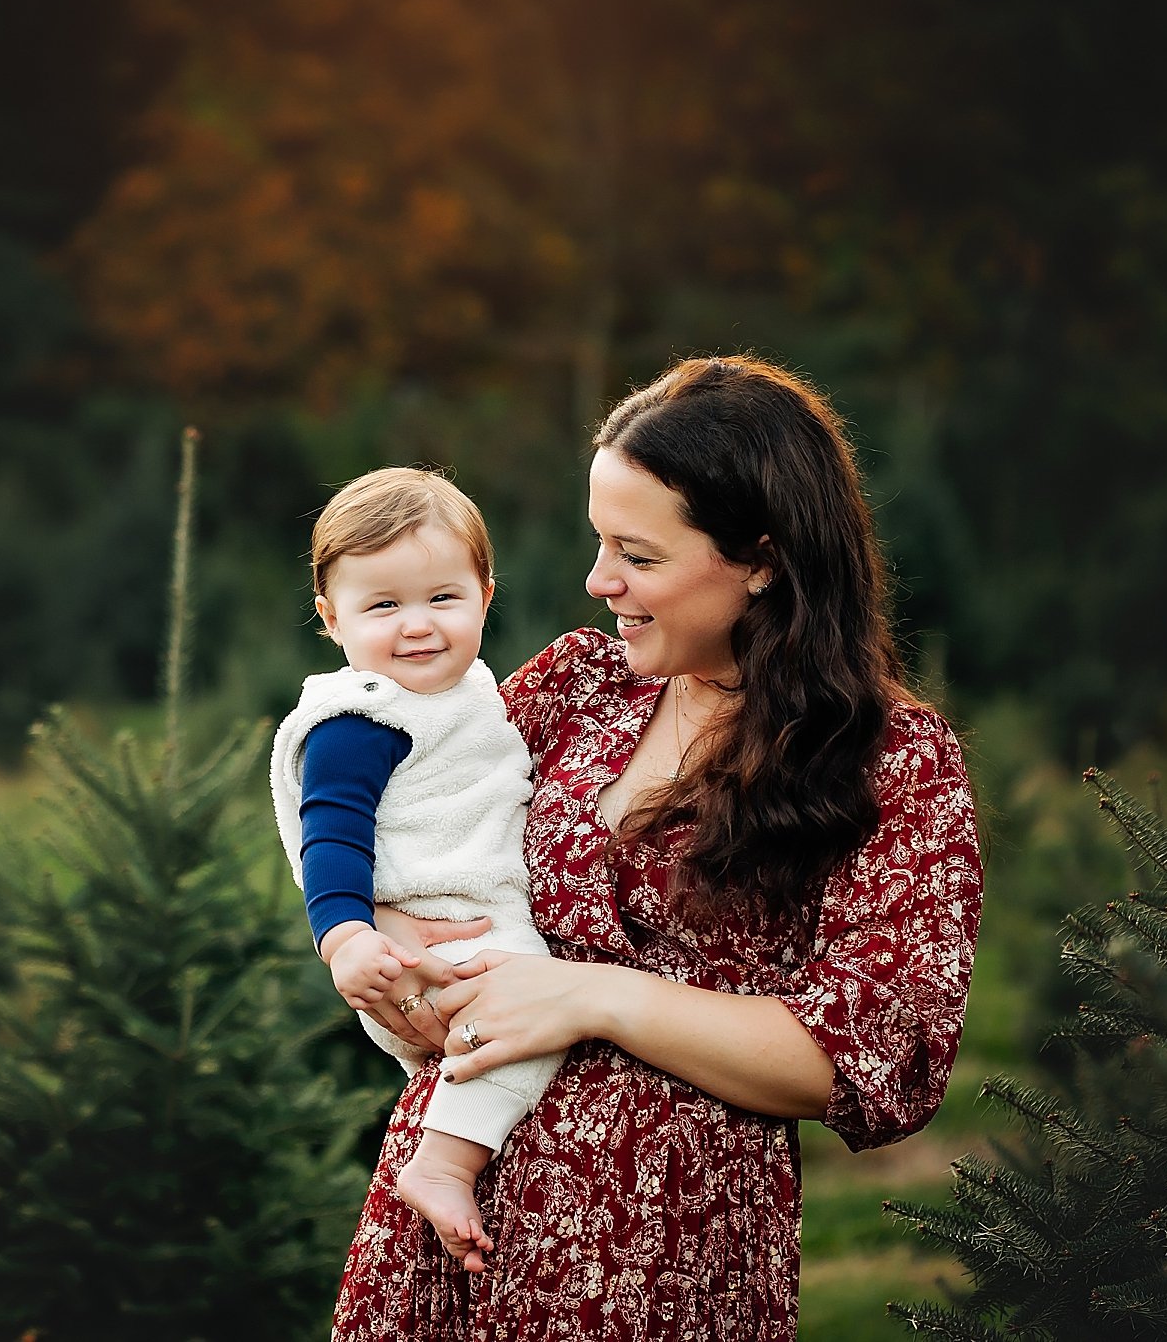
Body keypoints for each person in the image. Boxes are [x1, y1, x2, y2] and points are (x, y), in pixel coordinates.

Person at [329, 355, 985, 1341]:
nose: (598, 582)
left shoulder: (886, 761)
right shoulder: (574, 688)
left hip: (664, 1246)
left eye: (636, 555)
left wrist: (597, 996)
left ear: (760, 557)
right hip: (452, 1211)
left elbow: (875, 1059)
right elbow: (413, 827)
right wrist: (376, 937)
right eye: (599, 544)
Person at [270, 467, 563, 1274]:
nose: (418, 626)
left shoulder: (468, 691)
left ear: (486, 594)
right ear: (331, 619)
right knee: (527, 1017)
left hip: (463, 933)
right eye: (382, 606)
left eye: (443, 597)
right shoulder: (362, 720)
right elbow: (330, 837)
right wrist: (347, 938)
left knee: (506, 1041)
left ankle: (452, 1148)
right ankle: (440, 1165)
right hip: (432, 943)